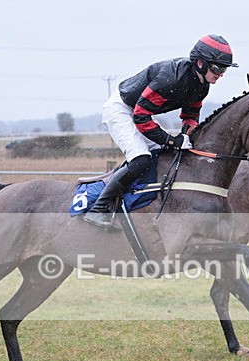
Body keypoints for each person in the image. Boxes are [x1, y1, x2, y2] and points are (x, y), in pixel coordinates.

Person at [83, 34, 238, 229]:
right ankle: (98, 209)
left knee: (167, 155)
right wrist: (171, 140)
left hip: (141, 111)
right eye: (217, 68)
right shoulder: (170, 78)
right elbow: (140, 116)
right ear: (200, 63)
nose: (221, 73)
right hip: (122, 109)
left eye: (223, 69)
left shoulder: (202, 86)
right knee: (141, 159)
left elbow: (190, 115)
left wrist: (184, 134)